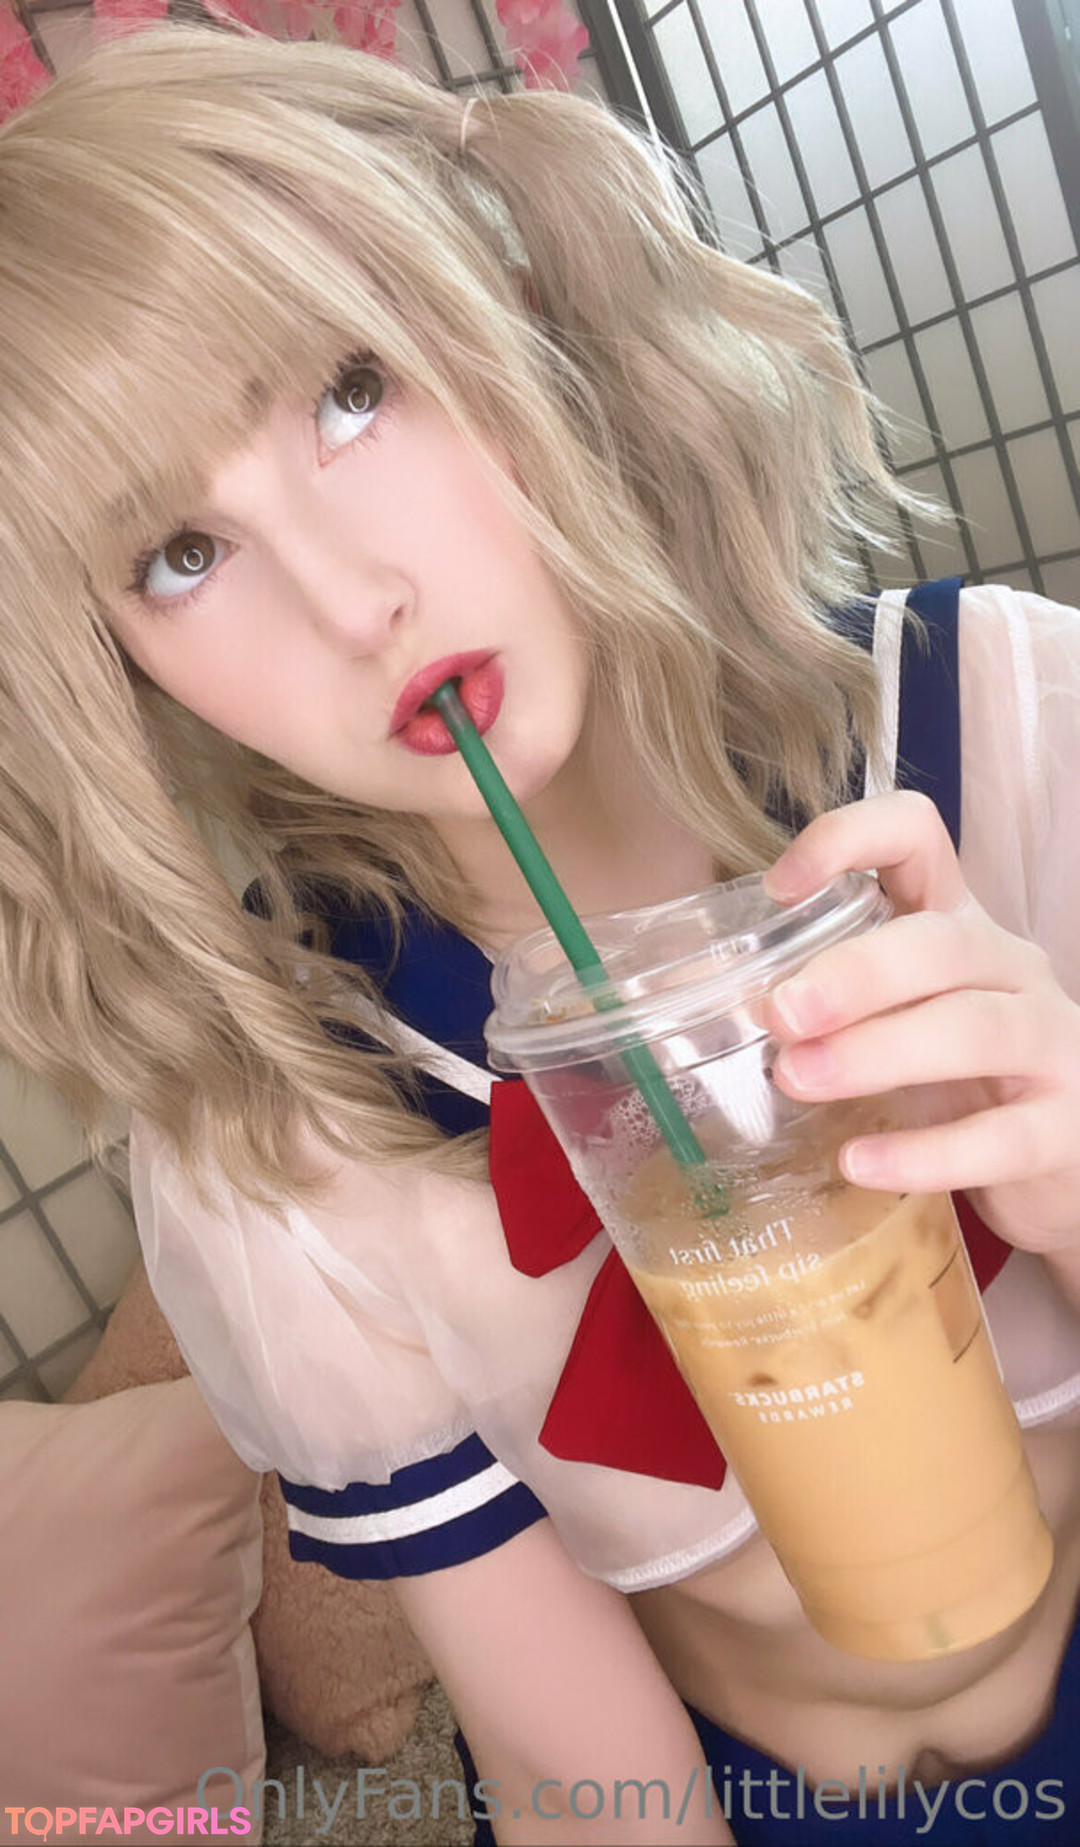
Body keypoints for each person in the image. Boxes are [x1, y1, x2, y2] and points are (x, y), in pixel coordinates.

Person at [1, 20, 1077, 1846]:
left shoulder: (1026, 727)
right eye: (178, 553)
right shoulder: (285, 1137)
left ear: (502, 307)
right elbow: (592, 1791)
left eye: (352, 387)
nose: (355, 602)